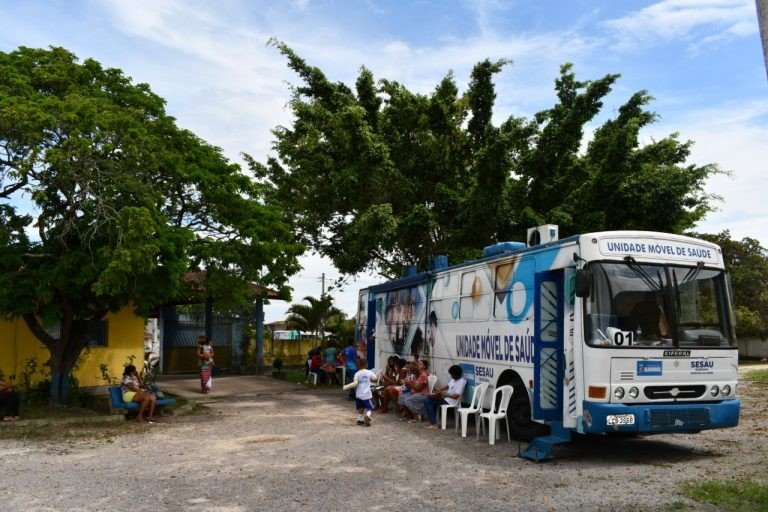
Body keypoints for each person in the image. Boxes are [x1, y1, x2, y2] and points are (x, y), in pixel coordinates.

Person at [423, 365, 466, 430]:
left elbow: (456, 396)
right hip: (446, 398)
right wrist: (439, 389)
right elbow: (447, 386)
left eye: (452, 375)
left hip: (450, 401)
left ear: (456, 374)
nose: (451, 376)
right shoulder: (454, 379)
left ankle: (434, 423)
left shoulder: (462, 382)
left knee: (427, 401)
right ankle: (432, 422)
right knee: (429, 399)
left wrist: (445, 394)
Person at [351, 358, 378, 426]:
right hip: (366, 394)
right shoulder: (369, 372)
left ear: (359, 365)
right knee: (370, 407)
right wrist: (371, 380)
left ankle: (359, 420)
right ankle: (367, 416)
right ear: (366, 365)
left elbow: (355, 384)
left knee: (361, 407)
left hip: (359, 394)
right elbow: (375, 379)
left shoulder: (357, 374)